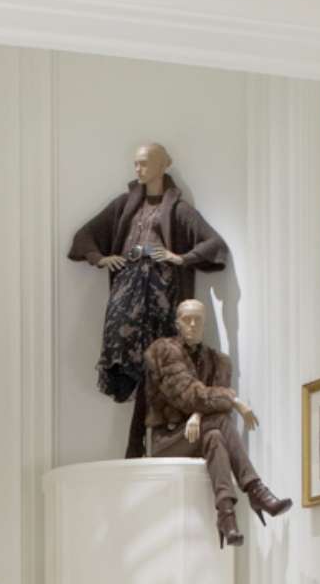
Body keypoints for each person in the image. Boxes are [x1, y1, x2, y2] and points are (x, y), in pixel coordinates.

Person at [69, 142, 231, 458]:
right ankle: (138, 445)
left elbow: (215, 244)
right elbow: (83, 237)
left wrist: (182, 258)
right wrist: (100, 258)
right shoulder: (124, 206)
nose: (138, 170)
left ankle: (140, 445)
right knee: (133, 362)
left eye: (144, 163)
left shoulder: (179, 209)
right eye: (136, 164)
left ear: (161, 165)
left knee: (158, 367)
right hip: (128, 295)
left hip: (161, 295)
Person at [146, 298, 291, 547]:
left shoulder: (219, 361)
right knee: (221, 420)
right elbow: (190, 395)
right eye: (186, 319)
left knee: (214, 435)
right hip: (168, 440)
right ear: (177, 323)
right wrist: (234, 401)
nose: (192, 324)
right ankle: (256, 490)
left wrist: (199, 415)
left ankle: (226, 515)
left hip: (202, 434)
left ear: (205, 324)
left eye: (198, 320)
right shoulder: (164, 350)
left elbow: (205, 404)